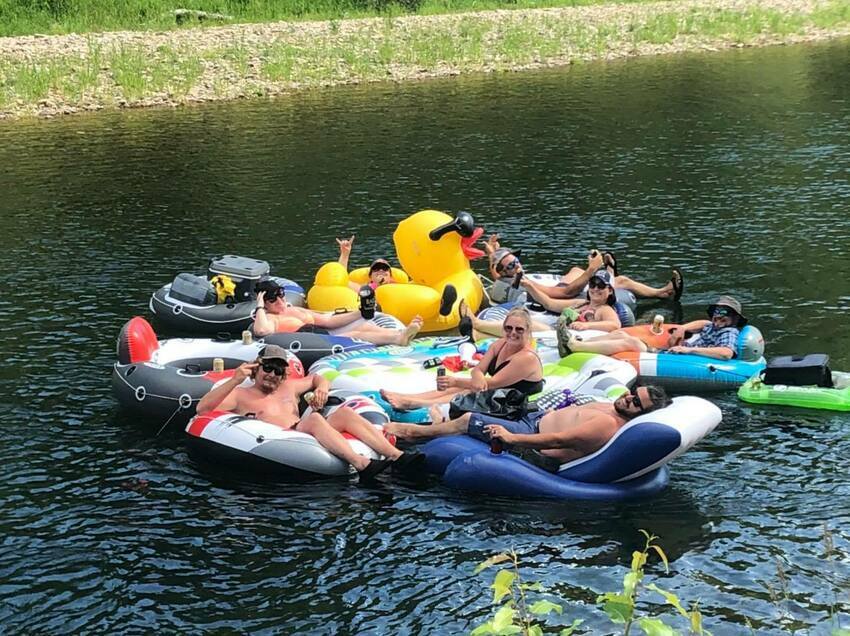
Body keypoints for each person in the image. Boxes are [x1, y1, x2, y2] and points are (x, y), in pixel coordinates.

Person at [196, 345, 424, 480]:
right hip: (282, 441)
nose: (272, 375)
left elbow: (317, 378)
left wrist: (322, 388)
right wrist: (235, 379)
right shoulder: (240, 394)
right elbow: (202, 409)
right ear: (256, 368)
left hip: (304, 431)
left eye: (278, 370)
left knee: (343, 415)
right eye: (268, 368)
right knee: (314, 418)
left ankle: (397, 456)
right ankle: (362, 464)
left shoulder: (289, 386)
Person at [385, 385, 672, 466]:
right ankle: (434, 420)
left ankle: (410, 433)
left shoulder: (608, 425)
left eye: (636, 403)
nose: (629, 398)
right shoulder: (611, 406)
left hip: (533, 440)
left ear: (640, 415)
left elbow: (559, 440)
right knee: (483, 400)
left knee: (468, 420)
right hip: (534, 420)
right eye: (633, 393)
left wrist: (511, 439)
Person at [380, 307, 544, 419]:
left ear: (528, 330)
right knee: (465, 386)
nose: (512, 333)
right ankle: (407, 397)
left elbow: (493, 383)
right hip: (495, 388)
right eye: (508, 328)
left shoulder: (527, 358)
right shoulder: (500, 344)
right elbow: (478, 369)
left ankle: (413, 403)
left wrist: (457, 381)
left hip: (513, 398)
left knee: (467, 389)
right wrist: (477, 375)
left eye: (519, 329)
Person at [486, 234, 683, 302]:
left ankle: (608, 273)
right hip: (562, 298)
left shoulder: (504, 279)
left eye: (516, 260)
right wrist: (591, 270)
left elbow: (496, 275)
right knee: (623, 282)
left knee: (574, 270)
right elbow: (565, 293)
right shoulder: (522, 283)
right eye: (511, 265)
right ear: (505, 271)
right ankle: (664, 293)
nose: (517, 265)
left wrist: (492, 254)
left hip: (556, 289)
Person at [562, 295, 748, 360]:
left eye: (724, 313)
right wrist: (683, 328)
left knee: (631, 343)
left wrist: (689, 349)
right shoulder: (712, 326)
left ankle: (575, 347)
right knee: (620, 334)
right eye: (716, 311)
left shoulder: (729, 332)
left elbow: (726, 353)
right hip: (673, 353)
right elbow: (703, 323)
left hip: (682, 359)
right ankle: (580, 341)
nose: (718, 316)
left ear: (734, 319)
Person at [252, 280, 423, 345]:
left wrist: (361, 312)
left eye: (281, 296)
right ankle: (398, 339)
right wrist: (259, 306)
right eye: (273, 301)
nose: (280, 302)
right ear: (265, 303)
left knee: (364, 324)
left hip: (322, 332)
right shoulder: (268, 318)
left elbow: (328, 321)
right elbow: (261, 331)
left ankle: (400, 334)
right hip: (311, 341)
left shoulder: (293, 309)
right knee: (356, 334)